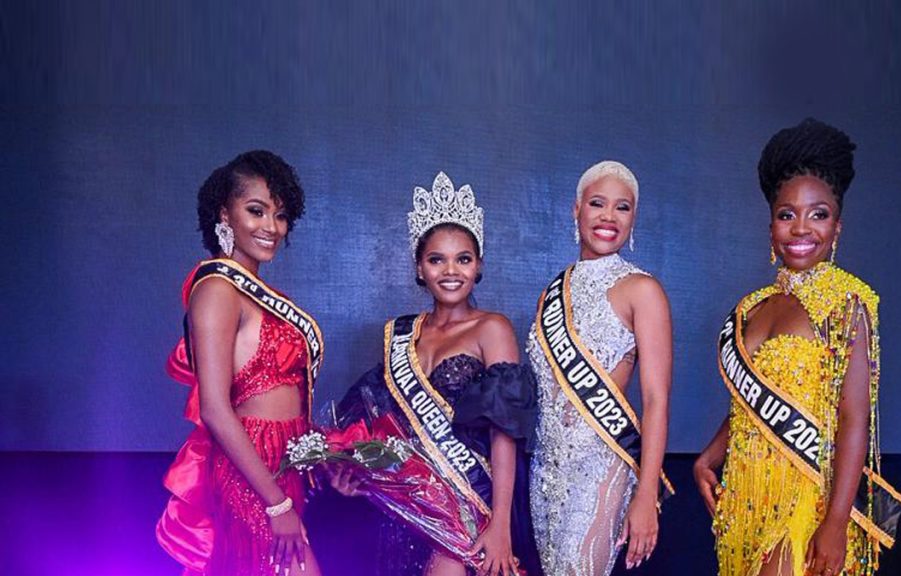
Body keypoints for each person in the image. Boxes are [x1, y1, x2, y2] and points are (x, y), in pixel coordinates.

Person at [693, 119, 901, 576]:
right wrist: (709, 456)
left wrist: (835, 522)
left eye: (818, 214)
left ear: (837, 226)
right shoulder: (753, 306)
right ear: (771, 227)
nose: (801, 228)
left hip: (807, 494)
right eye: (787, 215)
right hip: (745, 495)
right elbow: (749, 406)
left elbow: (854, 418)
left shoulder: (846, 302)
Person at [331, 172, 539, 576]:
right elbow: (374, 420)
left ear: (478, 266)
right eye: (436, 259)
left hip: (468, 504)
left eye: (463, 259)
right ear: (419, 267)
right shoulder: (401, 334)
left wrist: (500, 522)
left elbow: (505, 431)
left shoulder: (492, 328)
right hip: (409, 507)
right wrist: (350, 471)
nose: (451, 271)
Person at [157, 150, 325, 576]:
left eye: (280, 215)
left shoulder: (259, 295)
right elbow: (214, 408)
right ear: (224, 214)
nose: (271, 227)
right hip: (250, 469)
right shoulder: (217, 289)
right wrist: (277, 503)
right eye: (256, 210)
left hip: (283, 463)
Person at [528, 161, 675, 576]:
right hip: (546, 467)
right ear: (576, 210)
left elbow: (656, 400)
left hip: (601, 463)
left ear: (633, 218)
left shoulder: (643, 290)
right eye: (597, 204)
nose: (609, 216)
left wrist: (646, 494)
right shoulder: (553, 292)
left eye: (622, 207)